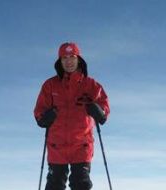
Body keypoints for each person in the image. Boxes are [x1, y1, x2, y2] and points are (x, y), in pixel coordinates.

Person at [34, 42, 110, 190]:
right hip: (56, 146)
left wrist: (99, 111)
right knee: (54, 185)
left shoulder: (90, 85)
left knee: (81, 184)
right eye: (64, 58)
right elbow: (39, 111)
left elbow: (104, 107)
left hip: (82, 145)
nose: (68, 61)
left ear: (79, 59)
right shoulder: (50, 85)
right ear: (60, 61)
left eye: (72, 57)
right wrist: (43, 118)